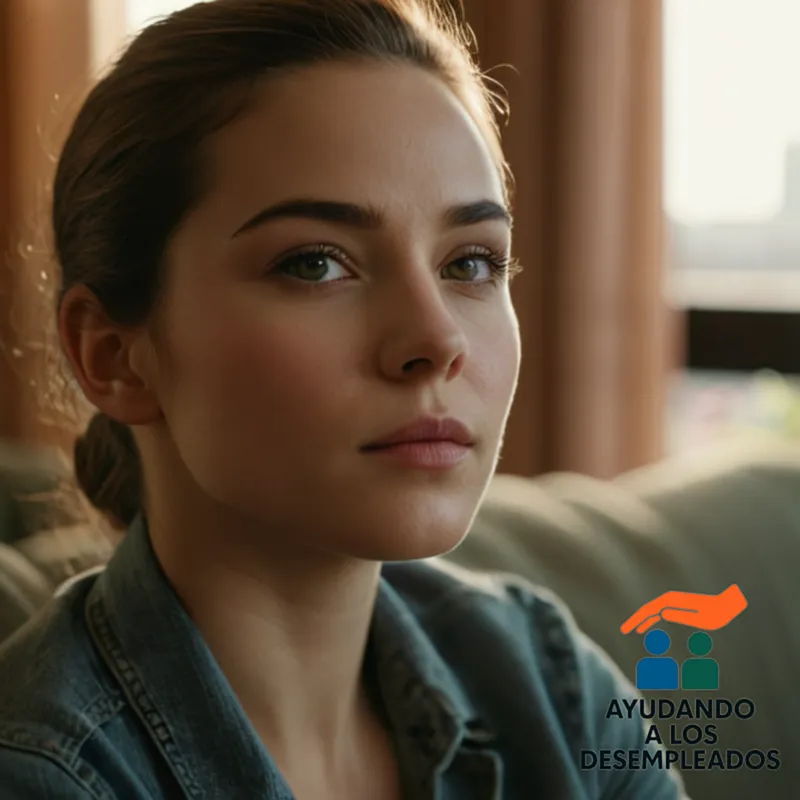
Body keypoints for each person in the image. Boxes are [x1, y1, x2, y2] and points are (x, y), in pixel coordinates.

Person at [0, 1, 689, 797]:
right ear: (115, 356)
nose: (436, 340)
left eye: (469, 263)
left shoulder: (552, 688)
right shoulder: (44, 774)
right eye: (316, 264)